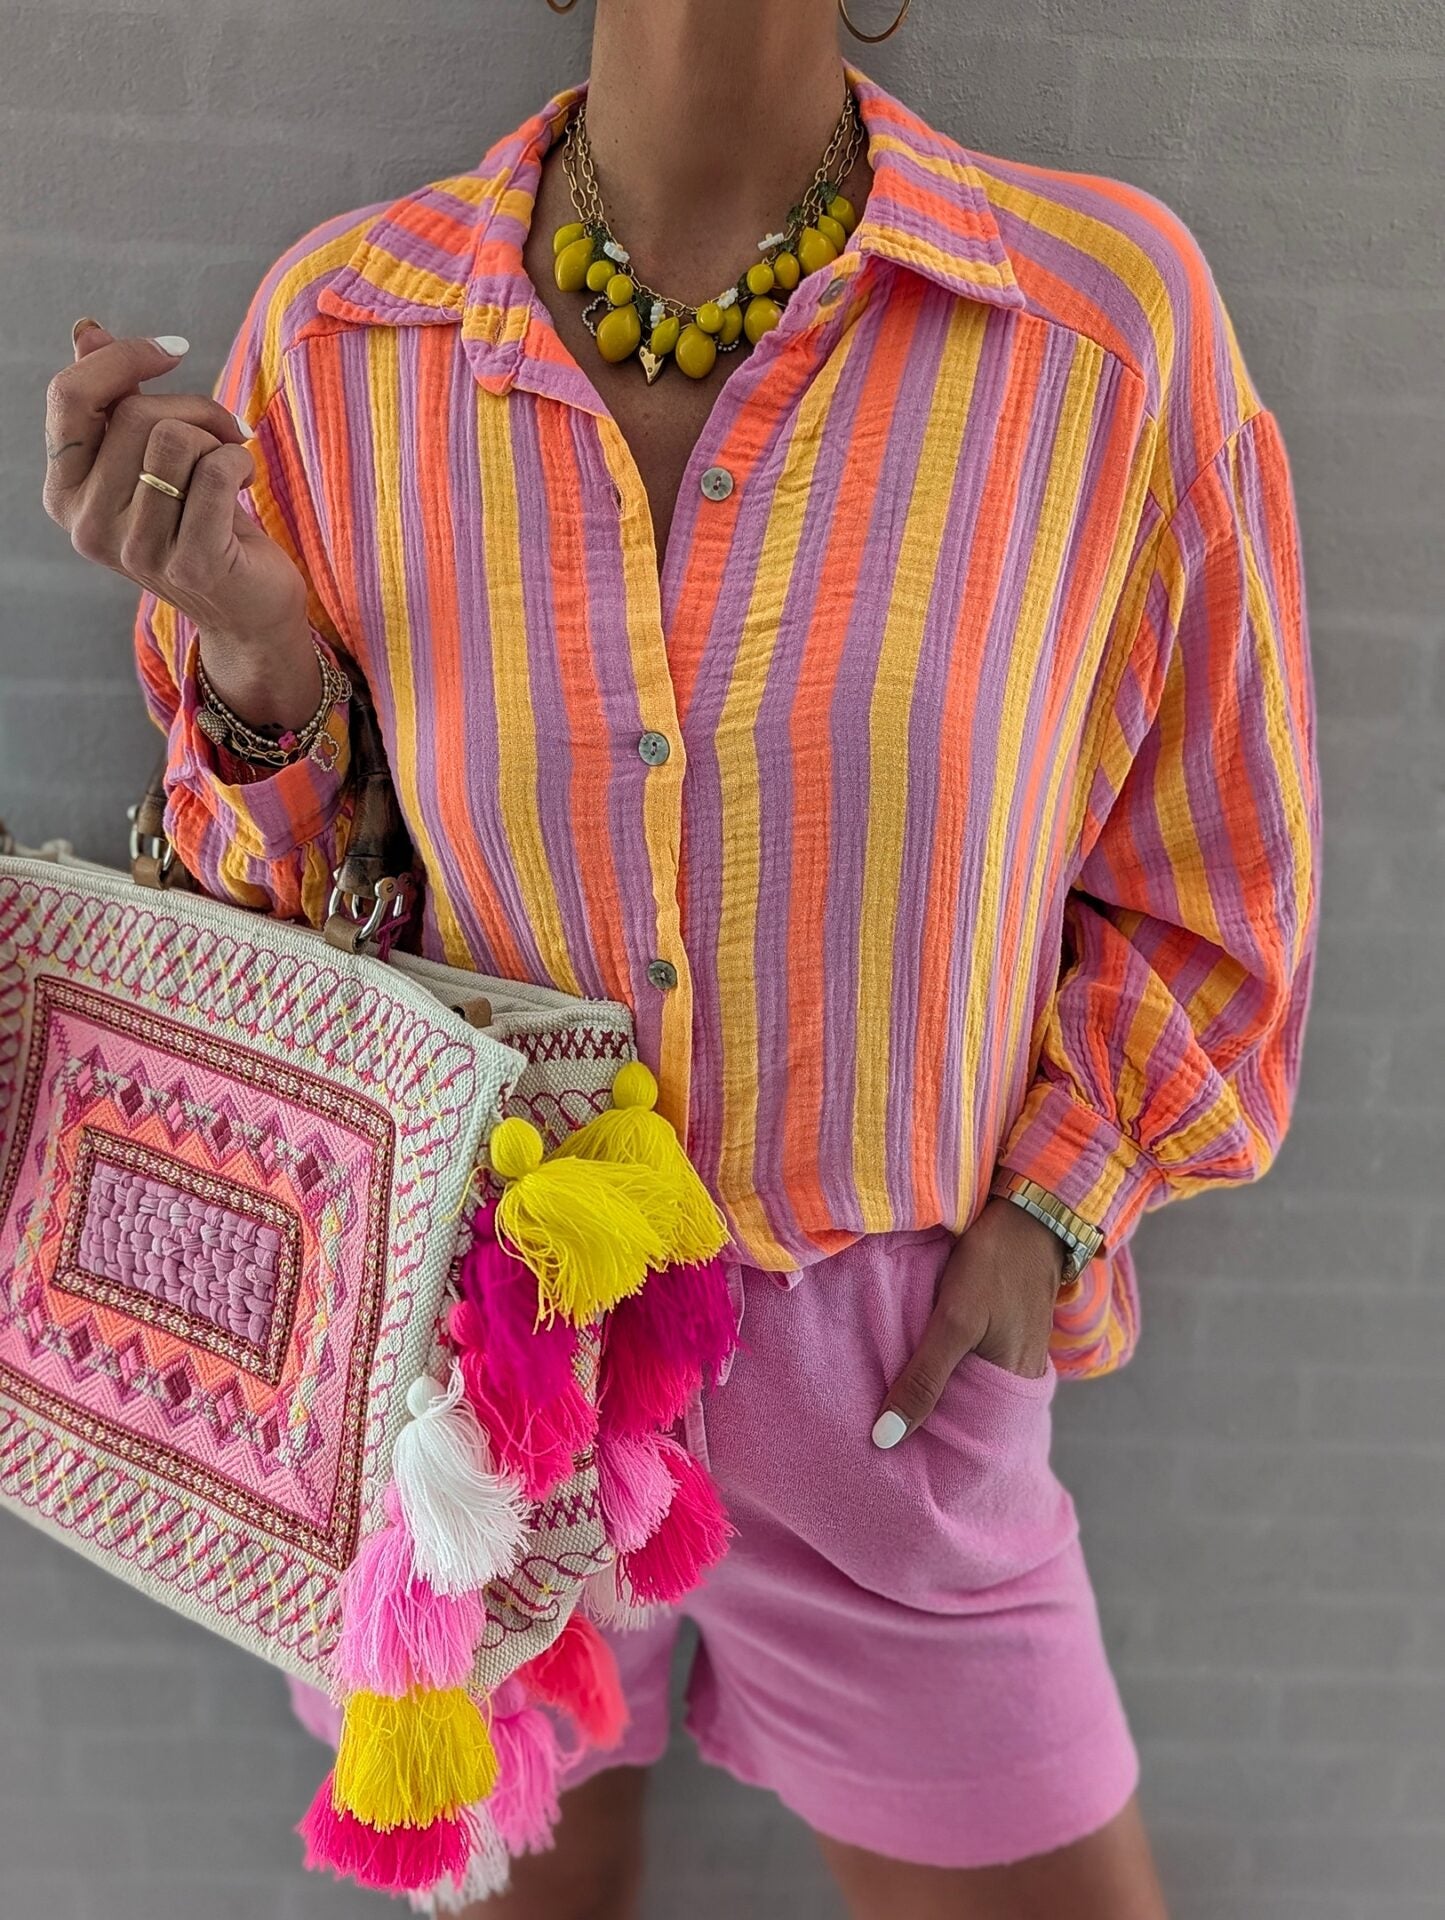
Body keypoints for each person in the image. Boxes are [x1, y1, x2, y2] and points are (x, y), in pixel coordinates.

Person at [41, 1, 1320, 1914]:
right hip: (467, 1395)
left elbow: (1216, 878)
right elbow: (280, 946)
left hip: (888, 1401)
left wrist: (1053, 1212)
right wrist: (250, 646)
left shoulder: (1095, 330)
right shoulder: (341, 335)